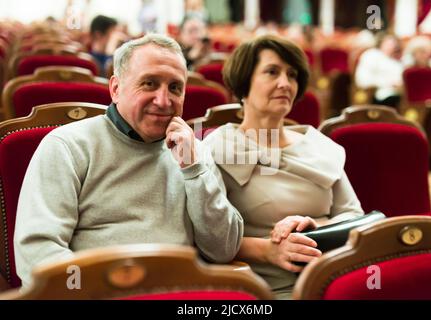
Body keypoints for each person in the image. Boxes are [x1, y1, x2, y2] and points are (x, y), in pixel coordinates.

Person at [14, 34, 243, 287]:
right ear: (115, 88)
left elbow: (223, 250)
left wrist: (193, 170)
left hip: (178, 294)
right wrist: (94, 290)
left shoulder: (194, 153)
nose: (164, 101)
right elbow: (38, 253)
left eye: (175, 88)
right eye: (149, 83)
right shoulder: (68, 146)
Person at [203, 35, 364, 299]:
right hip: (263, 287)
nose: (285, 83)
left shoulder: (318, 145)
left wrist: (317, 226)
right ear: (244, 84)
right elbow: (208, 238)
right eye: (272, 72)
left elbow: (354, 216)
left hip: (334, 276)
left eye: (292, 75)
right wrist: (269, 249)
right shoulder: (218, 147)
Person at [355, 33, 403, 108]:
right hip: (377, 94)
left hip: (398, 93)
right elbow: (362, 80)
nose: (393, 46)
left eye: (394, 44)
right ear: (381, 43)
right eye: (389, 43)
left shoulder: (397, 60)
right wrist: (388, 83)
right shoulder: (371, 55)